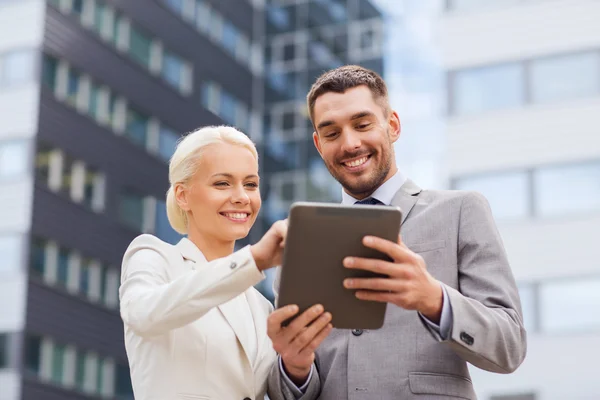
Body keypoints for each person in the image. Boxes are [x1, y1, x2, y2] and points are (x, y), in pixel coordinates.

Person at [266, 65, 527, 399]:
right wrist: (294, 365)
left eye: (362, 125)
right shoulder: (300, 248)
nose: (350, 144)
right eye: (331, 134)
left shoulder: (461, 211)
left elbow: (509, 347)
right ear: (319, 144)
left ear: (392, 125)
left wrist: (433, 298)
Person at [119, 125, 288, 400]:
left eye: (251, 184)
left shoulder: (261, 306)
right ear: (183, 195)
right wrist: (255, 259)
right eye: (222, 183)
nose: (242, 197)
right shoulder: (154, 257)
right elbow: (143, 314)